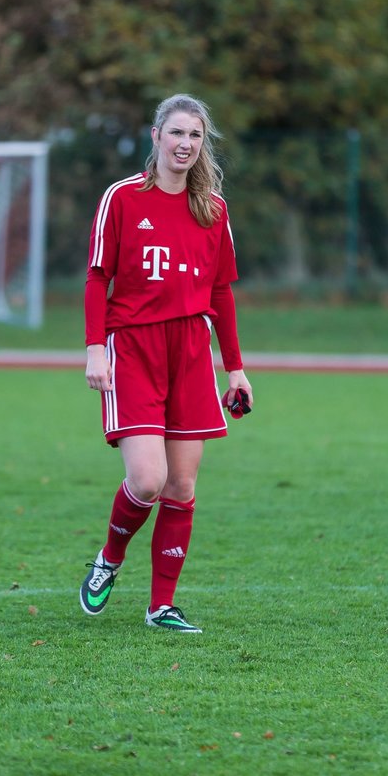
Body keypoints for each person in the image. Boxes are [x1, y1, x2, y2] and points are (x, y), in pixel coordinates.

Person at [79, 93, 253, 634]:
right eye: (176, 133)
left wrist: (236, 368)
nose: (185, 144)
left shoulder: (213, 209)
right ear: (155, 136)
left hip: (191, 352)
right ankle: (109, 557)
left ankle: (161, 606)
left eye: (196, 136)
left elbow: (221, 294)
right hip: (131, 347)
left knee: (181, 485)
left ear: (204, 145)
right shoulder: (123, 198)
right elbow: (97, 278)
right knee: (148, 480)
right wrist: (93, 349)